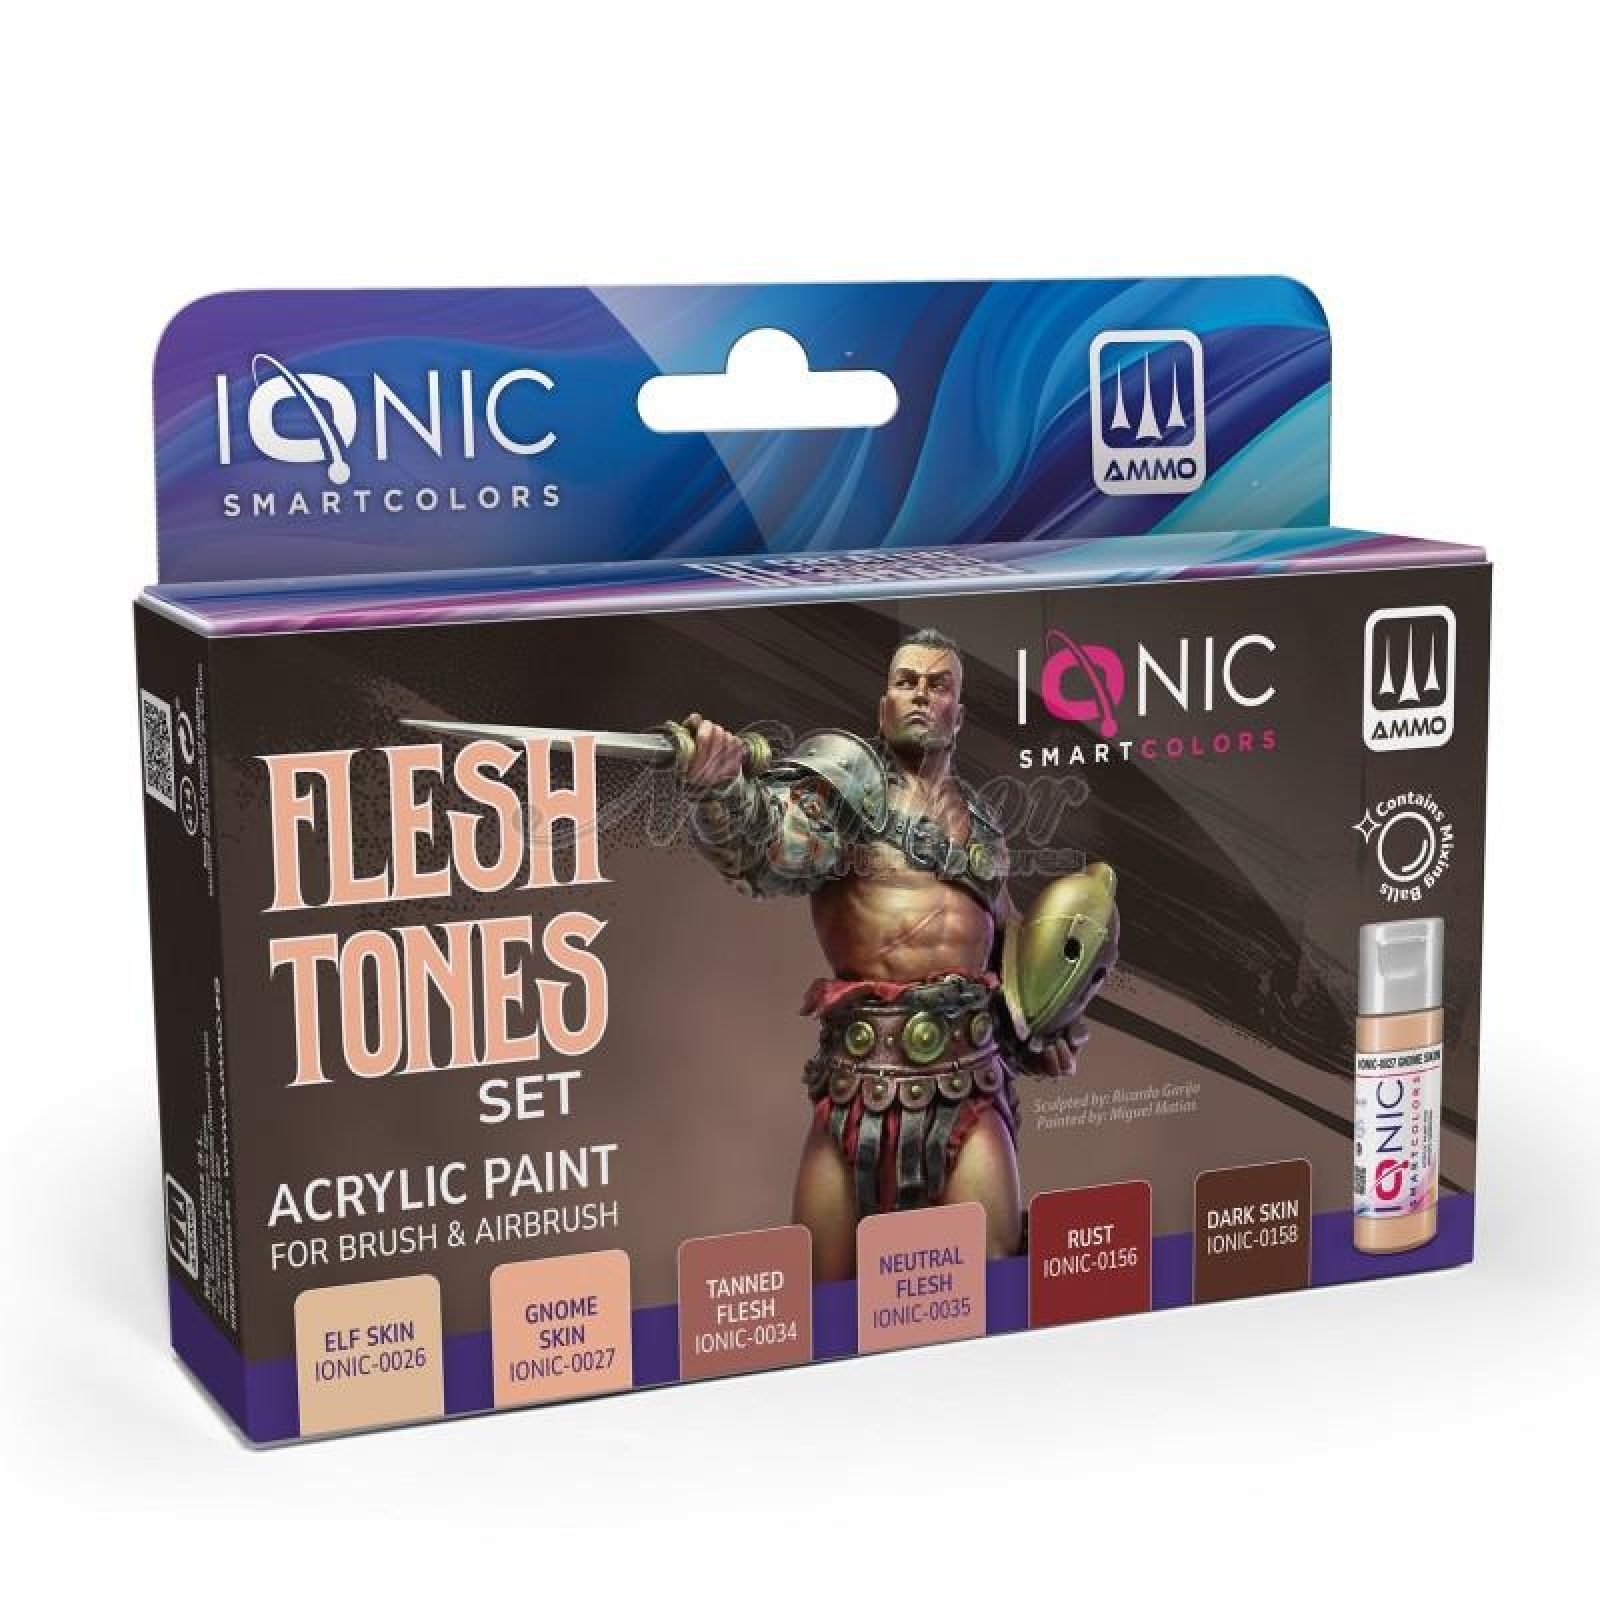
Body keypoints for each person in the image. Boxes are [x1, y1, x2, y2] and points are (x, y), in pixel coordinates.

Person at [680, 627, 1113, 1279]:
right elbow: (767, 850)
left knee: (992, 1271)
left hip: (970, 1076)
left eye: (938, 685)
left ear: (957, 713)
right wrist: (720, 790)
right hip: (857, 1081)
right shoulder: (844, 792)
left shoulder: (983, 827)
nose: (920, 695)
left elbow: (1006, 954)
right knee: (821, 1281)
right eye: (905, 682)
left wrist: (1043, 1027)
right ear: (884, 705)